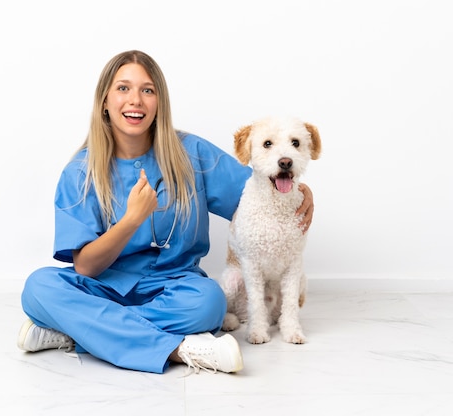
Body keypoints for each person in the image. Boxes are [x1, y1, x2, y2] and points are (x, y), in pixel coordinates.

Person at [17, 50, 314, 375]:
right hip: (103, 287)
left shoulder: (193, 153)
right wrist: (131, 220)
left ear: (160, 102)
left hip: (174, 289)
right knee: (38, 288)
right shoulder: (80, 171)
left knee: (209, 302)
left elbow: (255, 189)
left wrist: (295, 186)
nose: (136, 100)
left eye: (148, 90)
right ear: (104, 101)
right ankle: (180, 350)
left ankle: (74, 331)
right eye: (123, 88)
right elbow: (85, 266)